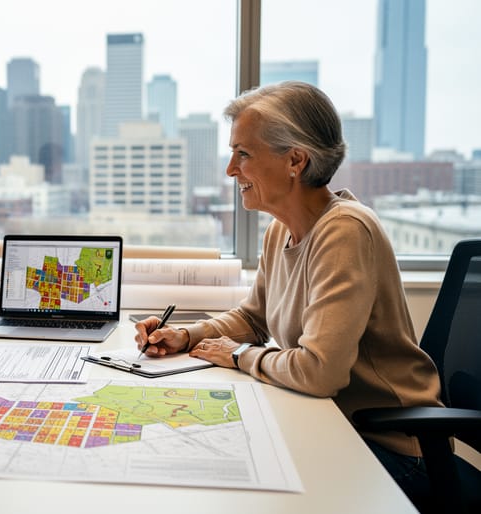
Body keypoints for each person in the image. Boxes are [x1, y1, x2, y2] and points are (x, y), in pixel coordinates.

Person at [134, 81, 441, 509]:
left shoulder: (345, 231)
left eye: (243, 154)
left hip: (390, 449)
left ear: (295, 160)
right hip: (336, 425)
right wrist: (188, 336)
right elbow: (254, 319)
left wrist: (239, 356)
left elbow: (320, 371)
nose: (229, 170)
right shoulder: (283, 228)